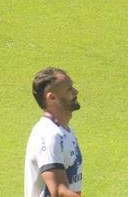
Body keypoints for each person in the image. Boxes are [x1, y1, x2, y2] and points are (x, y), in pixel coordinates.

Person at [25, 67, 84, 197]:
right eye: (69, 89)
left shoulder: (65, 131)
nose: (76, 91)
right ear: (52, 98)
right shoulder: (49, 135)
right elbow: (58, 191)